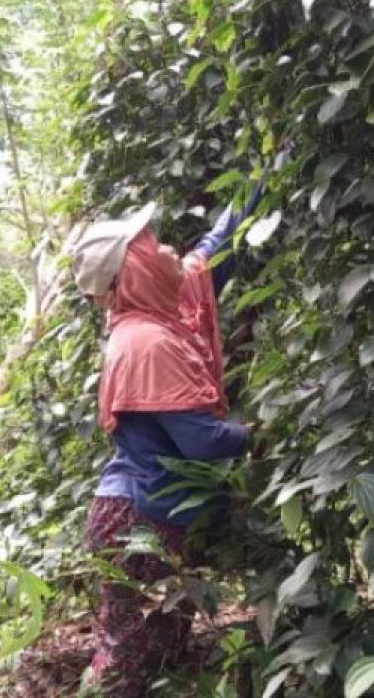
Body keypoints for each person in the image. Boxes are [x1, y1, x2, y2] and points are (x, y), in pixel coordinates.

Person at [68, 185, 262, 696]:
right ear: (134, 273)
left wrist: (265, 179)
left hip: (148, 516)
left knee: (159, 647)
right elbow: (202, 442)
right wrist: (262, 436)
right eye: (154, 248)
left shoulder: (162, 308)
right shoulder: (146, 342)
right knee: (131, 663)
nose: (171, 251)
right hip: (138, 525)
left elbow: (214, 248)